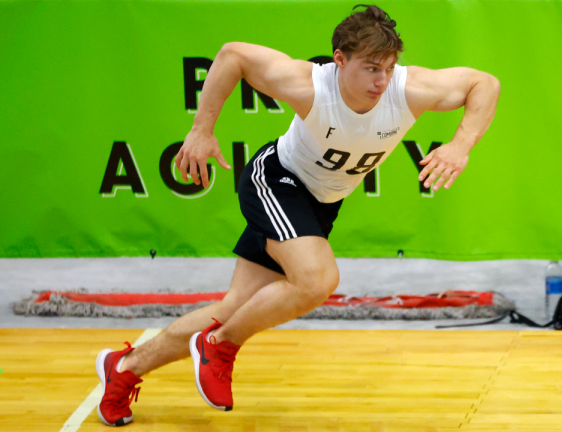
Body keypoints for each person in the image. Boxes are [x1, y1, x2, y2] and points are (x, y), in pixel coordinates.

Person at [94, 4, 500, 426]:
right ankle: (220, 346)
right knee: (317, 280)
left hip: (320, 202)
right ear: (339, 60)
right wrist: (201, 129)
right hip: (276, 180)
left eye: (389, 68)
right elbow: (233, 54)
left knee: (238, 304)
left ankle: (123, 370)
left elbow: (484, 83)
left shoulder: (407, 89)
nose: (381, 81)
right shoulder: (308, 85)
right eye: (370, 68)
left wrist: (460, 145)